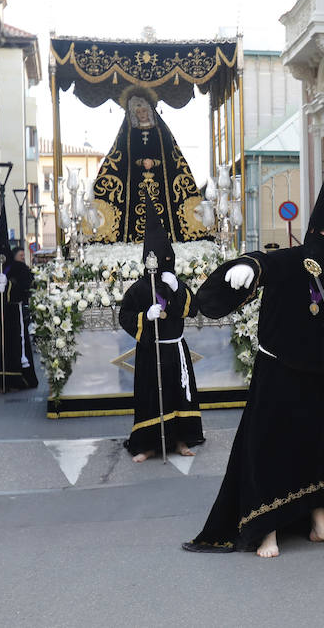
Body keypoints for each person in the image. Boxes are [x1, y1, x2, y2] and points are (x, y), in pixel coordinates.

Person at [183, 137, 324, 558]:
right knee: (272, 452)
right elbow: (265, 263)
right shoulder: (294, 260)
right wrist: (245, 267)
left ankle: (320, 523)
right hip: (280, 375)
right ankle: (266, 530)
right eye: (316, 232)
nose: (320, 240)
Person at [117, 191, 205, 462]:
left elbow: (192, 310)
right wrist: (146, 316)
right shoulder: (139, 289)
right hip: (151, 352)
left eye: (166, 260)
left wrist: (179, 290)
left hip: (175, 350)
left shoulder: (176, 285)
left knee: (179, 396)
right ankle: (149, 445)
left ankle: (180, 440)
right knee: (152, 398)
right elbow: (124, 315)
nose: (160, 265)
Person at [88, 87, 212, 243]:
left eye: (144, 111)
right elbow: (119, 159)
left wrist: (155, 162)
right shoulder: (127, 134)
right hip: (134, 186)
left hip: (160, 184)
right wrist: (139, 162)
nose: (142, 115)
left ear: (150, 111)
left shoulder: (161, 133)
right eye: (138, 113)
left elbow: (172, 157)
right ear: (133, 114)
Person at [0, 206, 38, 393]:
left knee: (13, 346)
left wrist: (9, 289)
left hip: (12, 315)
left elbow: (27, 288)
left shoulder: (20, 269)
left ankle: (15, 380)